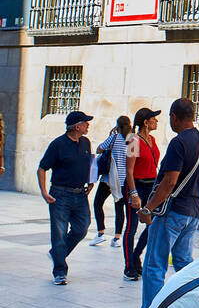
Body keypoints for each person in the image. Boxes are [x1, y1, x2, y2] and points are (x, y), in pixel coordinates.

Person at [126, 99, 199, 308]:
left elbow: (169, 181)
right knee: (185, 263)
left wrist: (148, 209)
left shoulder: (178, 142)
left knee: (155, 263)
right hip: (193, 209)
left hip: (171, 209)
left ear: (175, 116)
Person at [38, 110, 95, 285]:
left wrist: (90, 181)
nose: (88, 125)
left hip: (80, 193)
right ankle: (60, 271)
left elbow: (89, 164)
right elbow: (42, 168)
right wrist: (44, 192)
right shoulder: (58, 145)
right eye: (85, 123)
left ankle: (57, 253)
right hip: (60, 194)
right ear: (77, 126)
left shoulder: (86, 142)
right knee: (59, 234)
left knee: (82, 228)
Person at [121, 108, 161, 281]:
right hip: (136, 184)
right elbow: (129, 170)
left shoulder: (152, 139)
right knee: (131, 226)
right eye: (154, 119)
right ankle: (129, 265)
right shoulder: (133, 140)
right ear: (145, 122)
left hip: (151, 184)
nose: (156, 122)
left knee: (152, 224)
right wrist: (133, 193)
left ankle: (136, 253)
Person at [91, 116, 131, 248]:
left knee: (98, 203)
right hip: (123, 180)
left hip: (108, 178)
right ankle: (117, 238)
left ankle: (100, 233)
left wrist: (111, 135)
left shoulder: (114, 138)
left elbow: (99, 149)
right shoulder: (133, 140)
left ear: (118, 127)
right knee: (119, 207)